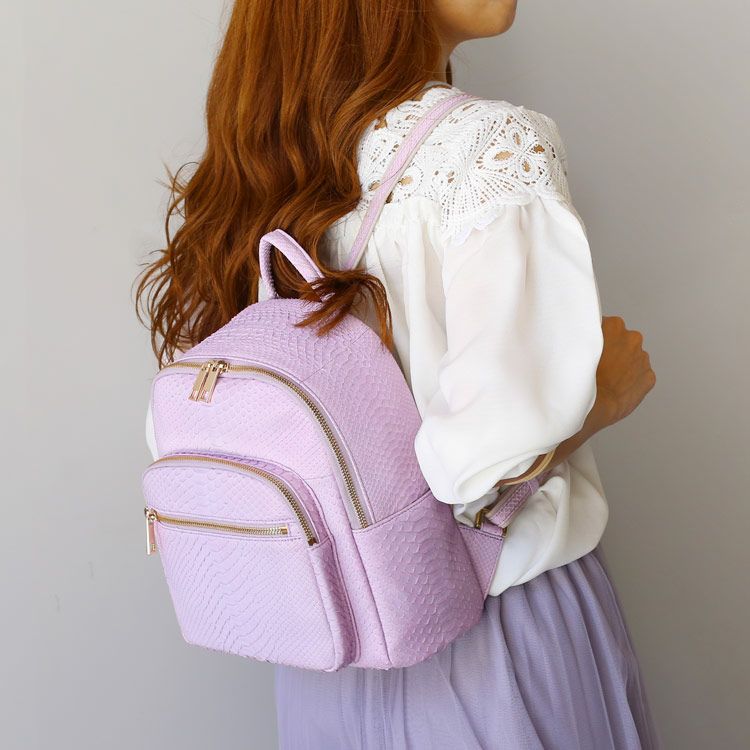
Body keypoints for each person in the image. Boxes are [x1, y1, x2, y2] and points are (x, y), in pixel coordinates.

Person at [137, 1, 659, 747]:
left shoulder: (256, 171)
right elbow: (477, 465)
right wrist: (599, 400)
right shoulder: (491, 147)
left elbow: (193, 433)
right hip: (491, 636)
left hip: (324, 650)